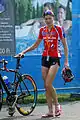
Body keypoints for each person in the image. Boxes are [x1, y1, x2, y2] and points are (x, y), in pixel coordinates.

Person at [15, 10, 69, 118]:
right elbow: (35, 45)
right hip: (45, 58)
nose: (48, 20)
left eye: (50, 18)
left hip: (55, 58)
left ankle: (57, 105)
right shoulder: (42, 30)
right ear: (44, 19)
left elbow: (65, 45)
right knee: (46, 86)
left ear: (53, 18)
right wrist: (23, 52)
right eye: (46, 19)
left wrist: (66, 61)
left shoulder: (59, 29)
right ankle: (50, 111)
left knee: (48, 84)